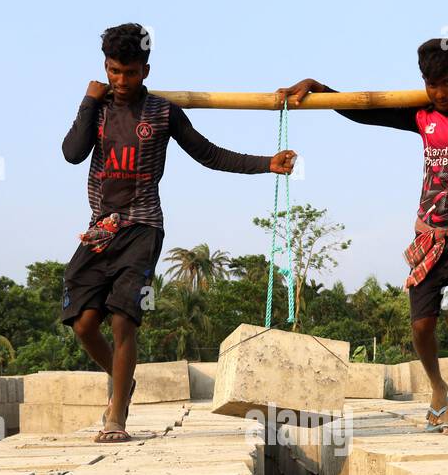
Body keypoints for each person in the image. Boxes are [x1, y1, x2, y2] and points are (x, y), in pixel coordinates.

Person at [279, 38, 448, 435]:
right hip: (428, 233)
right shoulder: (421, 110)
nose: (440, 93)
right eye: (431, 85)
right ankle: (437, 386)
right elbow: (366, 112)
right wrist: (321, 89)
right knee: (421, 325)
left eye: (447, 83)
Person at [63, 22, 297, 442]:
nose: (121, 81)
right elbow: (72, 153)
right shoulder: (97, 107)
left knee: (124, 321)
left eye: (130, 73)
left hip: (143, 229)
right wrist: (87, 100)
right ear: (105, 67)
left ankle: (116, 416)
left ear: (145, 71)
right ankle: (124, 382)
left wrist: (266, 163)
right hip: (100, 230)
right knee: (83, 323)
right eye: (113, 71)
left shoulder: (163, 112)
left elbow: (209, 154)